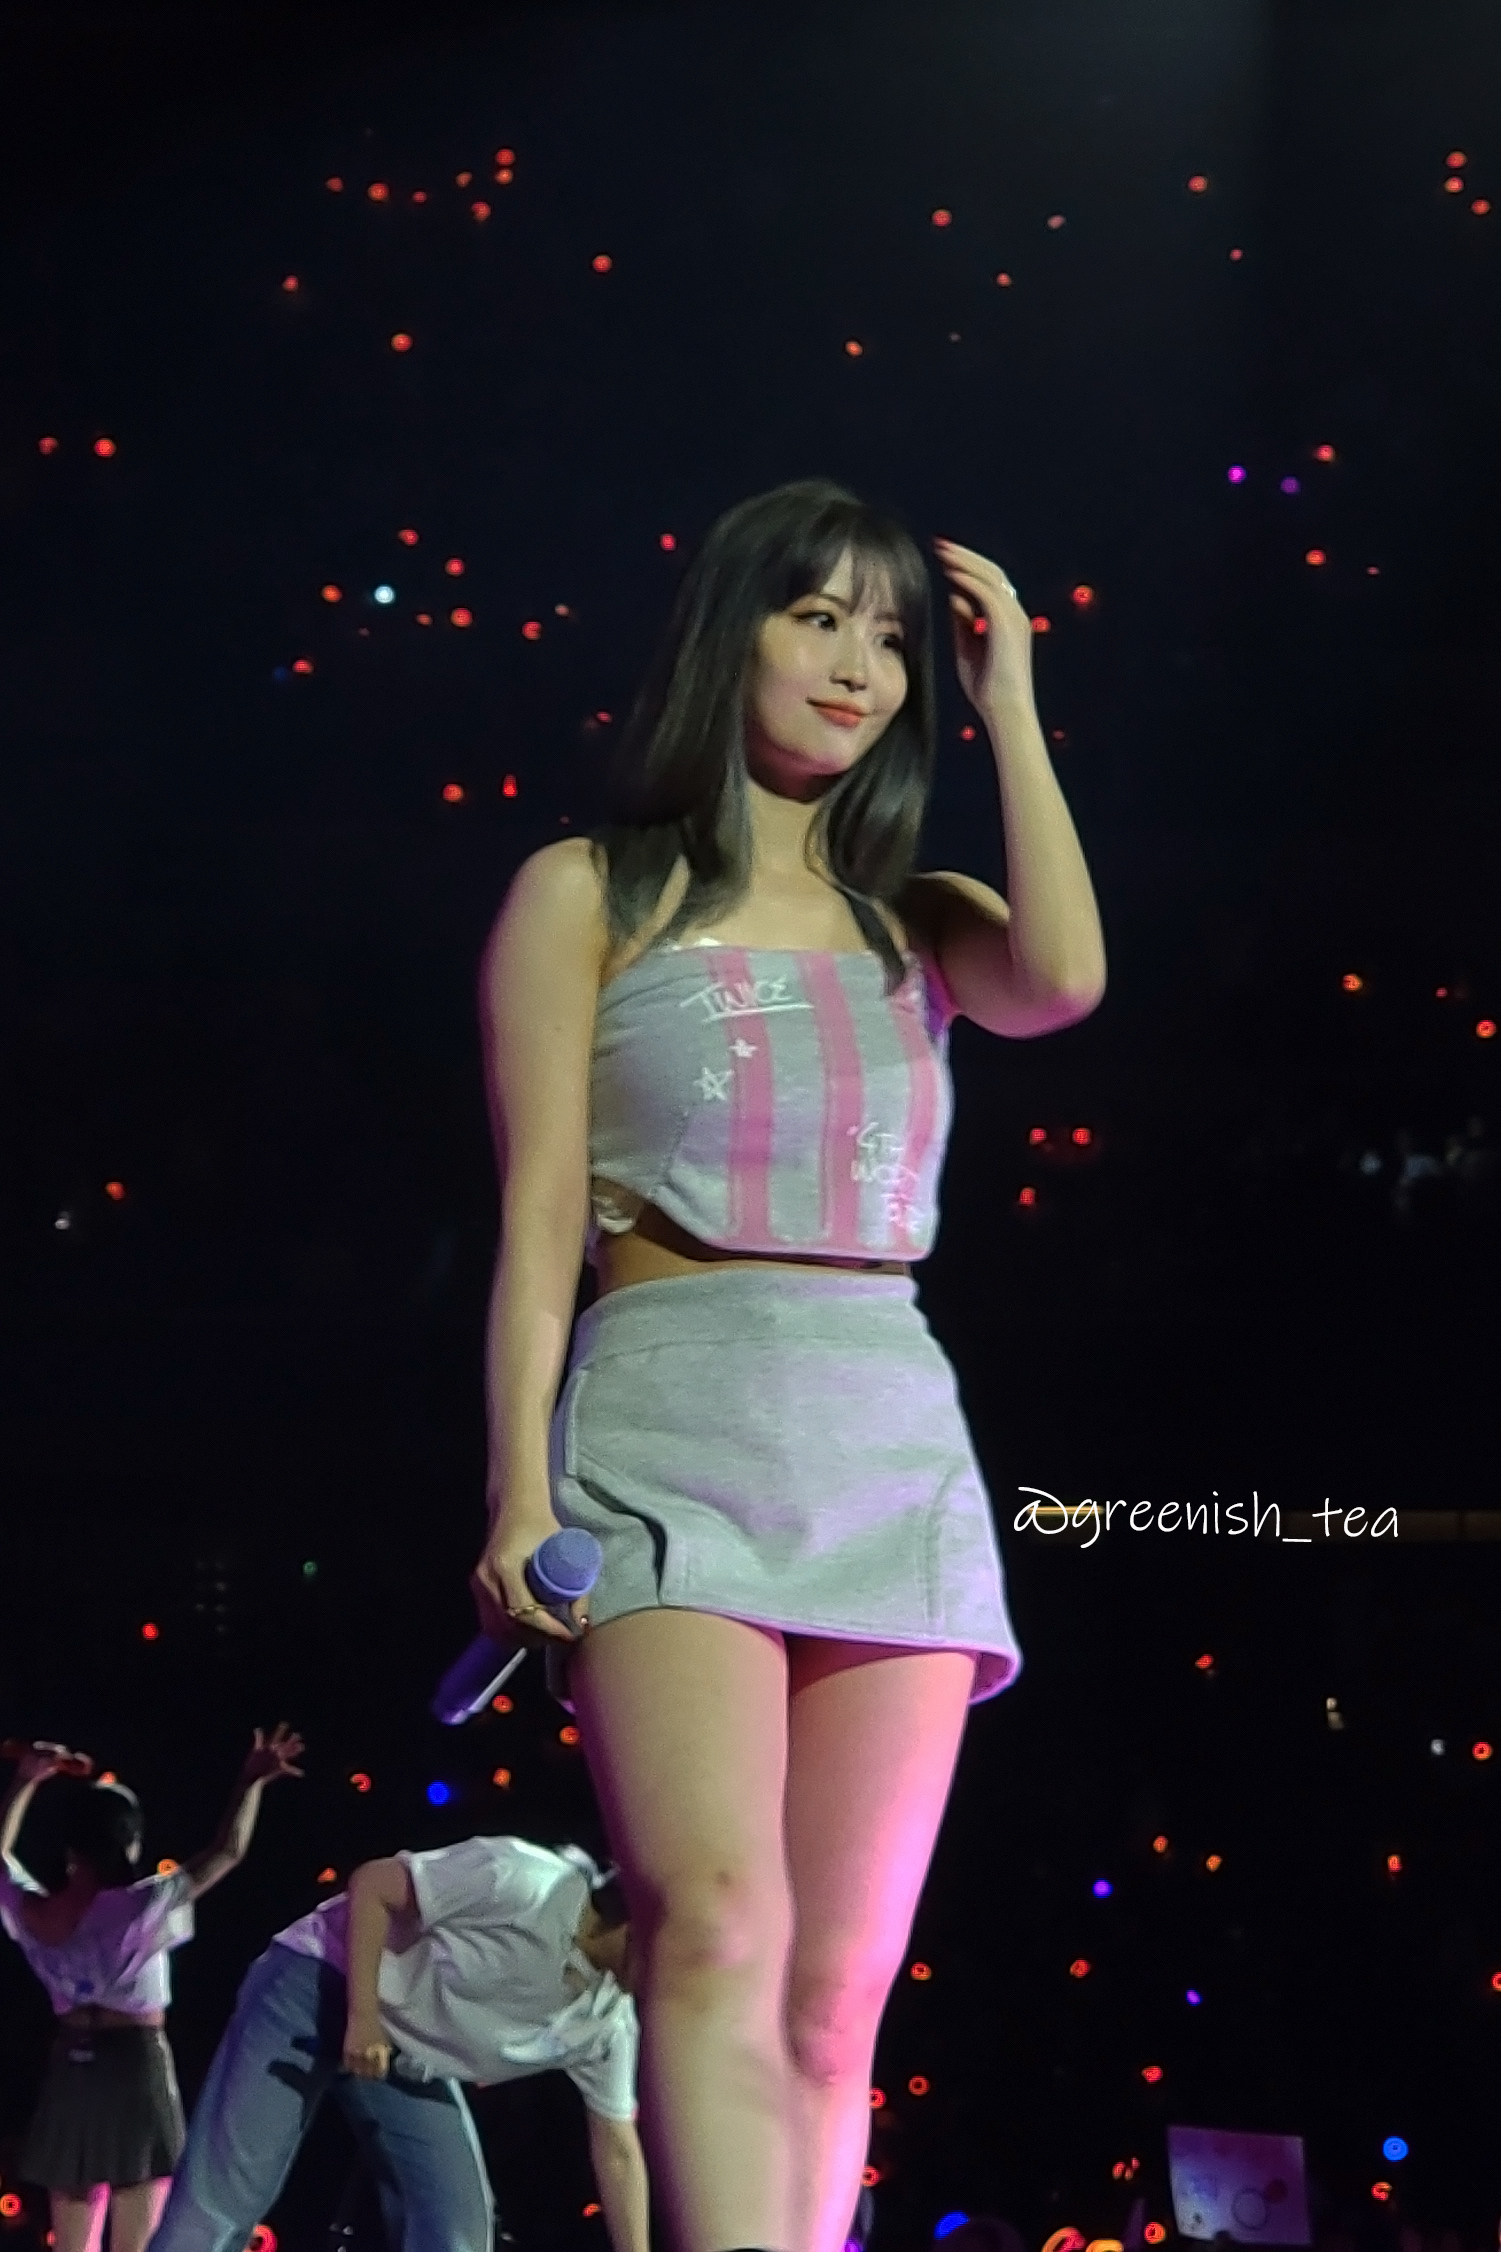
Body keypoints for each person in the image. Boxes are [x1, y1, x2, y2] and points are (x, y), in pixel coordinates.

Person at [469, 479, 1107, 2252]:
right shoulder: (586, 893)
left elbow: (1063, 978)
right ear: (729, 628)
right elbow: (537, 1221)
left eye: (891, 638)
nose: (856, 665)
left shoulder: (924, 917)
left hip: (884, 1427)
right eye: (817, 617)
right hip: (667, 1413)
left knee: (834, 1998)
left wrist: (1012, 703)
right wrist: (517, 1489)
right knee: (716, 1921)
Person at [147, 1832, 646, 2252]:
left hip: (402, 2053)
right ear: (638, 1924)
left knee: (457, 2230)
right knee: (224, 2200)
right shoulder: (528, 1881)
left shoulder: (610, 2022)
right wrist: (363, 2018)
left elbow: (619, 2150)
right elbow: (374, 1884)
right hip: (317, 1983)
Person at [0, 1730, 304, 2252]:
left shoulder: (36, 1913)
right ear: (131, 1843)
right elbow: (226, 1851)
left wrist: (26, 1779)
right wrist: (250, 1782)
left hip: (71, 2067)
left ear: (72, 1850)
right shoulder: (145, 1906)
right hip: (135, 2066)